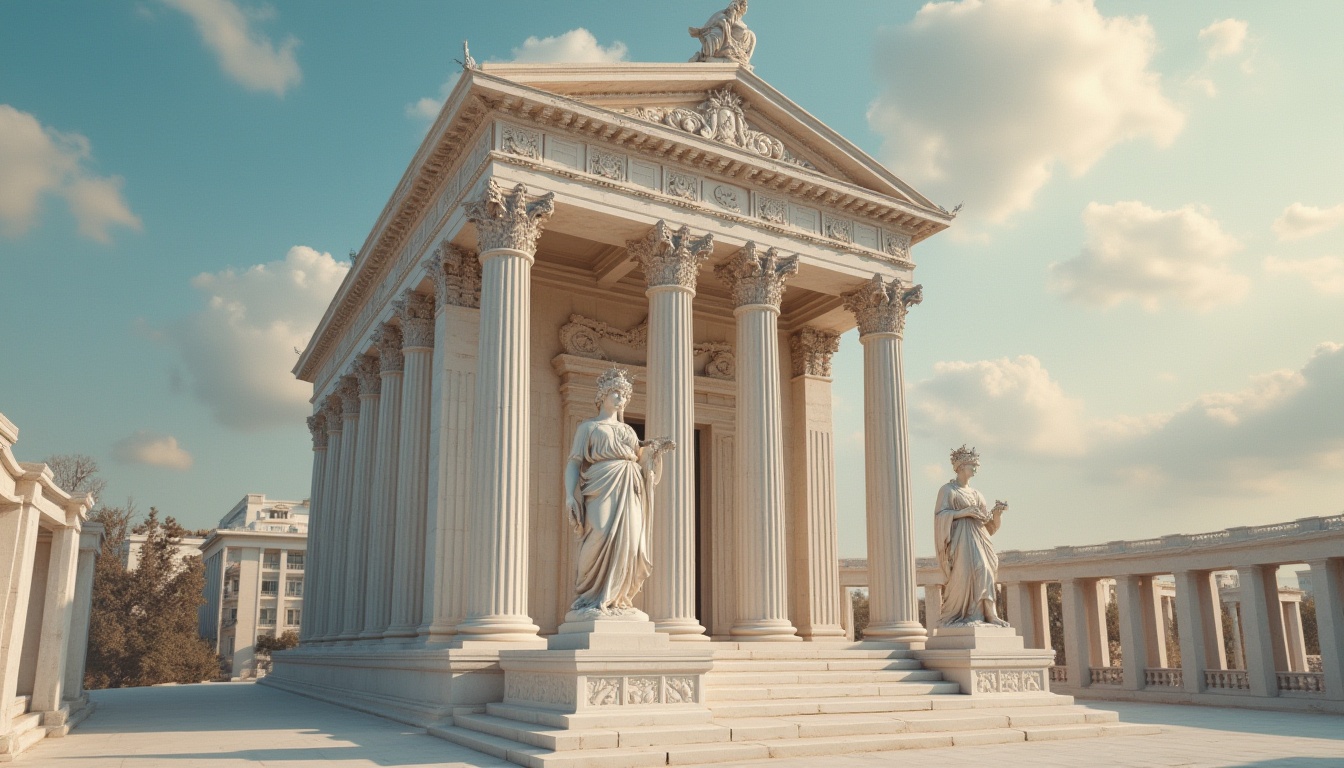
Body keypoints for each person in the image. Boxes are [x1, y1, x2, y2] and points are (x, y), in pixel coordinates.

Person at [563, 367, 674, 620]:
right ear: (602, 395)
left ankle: (618, 599)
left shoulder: (628, 431)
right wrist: (570, 495)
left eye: (624, 394)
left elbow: (642, 464)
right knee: (599, 531)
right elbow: (574, 462)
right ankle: (589, 595)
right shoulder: (588, 428)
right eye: (615, 392)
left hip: (630, 485)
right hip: (601, 484)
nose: (620, 398)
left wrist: (655, 454)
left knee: (630, 541)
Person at [934, 445, 1009, 627]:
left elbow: (989, 527)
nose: (975, 469)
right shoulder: (948, 490)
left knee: (987, 571)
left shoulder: (977, 494)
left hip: (980, 538)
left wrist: (997, 516)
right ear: (960, 467)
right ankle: (968, 615)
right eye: (972, 466)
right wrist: (964, 512)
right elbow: (940, 516)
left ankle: (989, 614)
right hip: (960, 540)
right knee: (967, 573)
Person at [689, 0, 756, 67]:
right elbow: (715, 22)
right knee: (718, 33)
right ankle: (710, 57)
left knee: (751, 35)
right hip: (721, 41)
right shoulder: (723, 14)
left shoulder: (742, 25)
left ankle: (743, 60)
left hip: (734, 46)